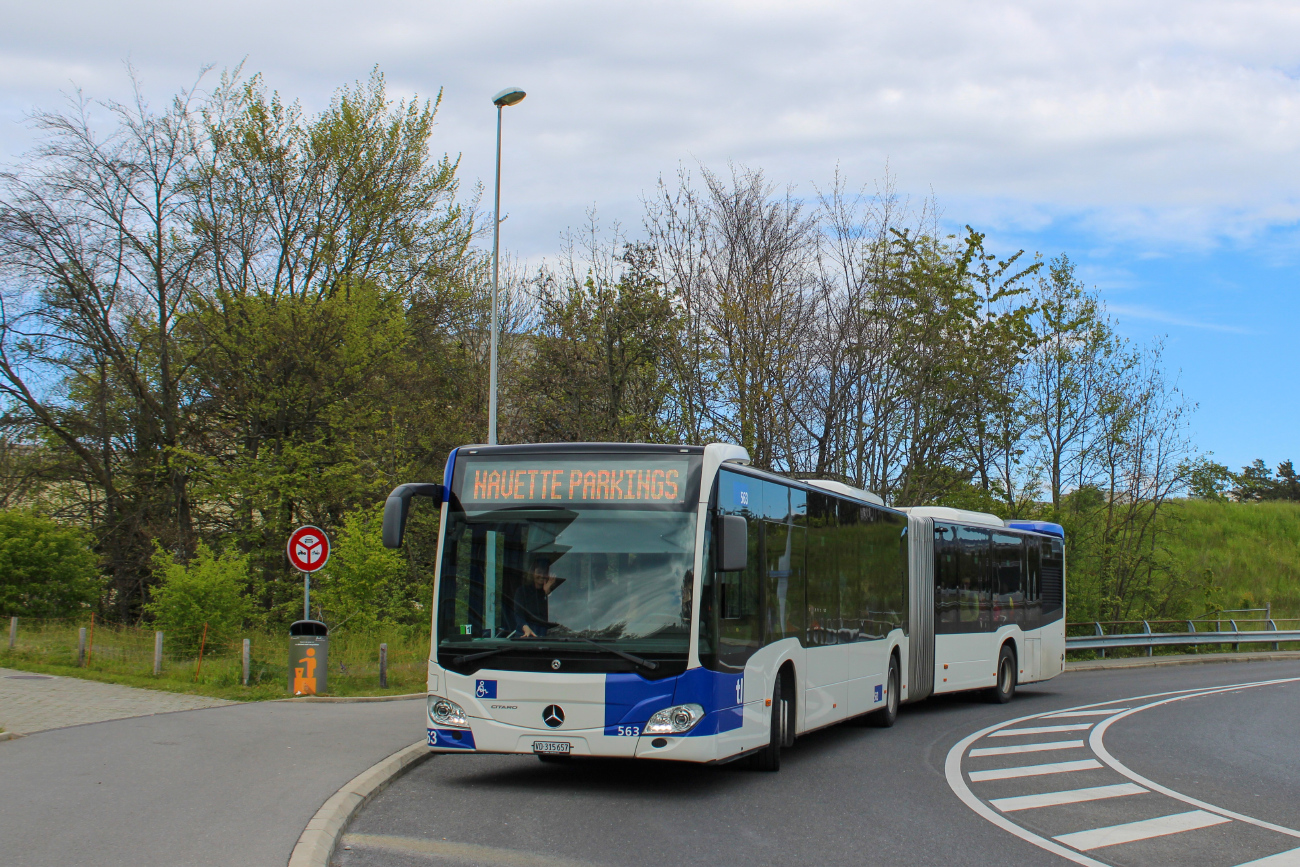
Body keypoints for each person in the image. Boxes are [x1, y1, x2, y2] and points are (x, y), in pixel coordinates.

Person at [515, 557, 561, 637]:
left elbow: (556, 616)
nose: (542, 575)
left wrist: (548, 593)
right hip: (526, 631)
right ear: (533, 573)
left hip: (547, 633)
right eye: (539, 572)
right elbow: (518, 613)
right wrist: (525, 627)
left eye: (545, 572)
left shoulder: (556, 593)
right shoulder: (522, 591)